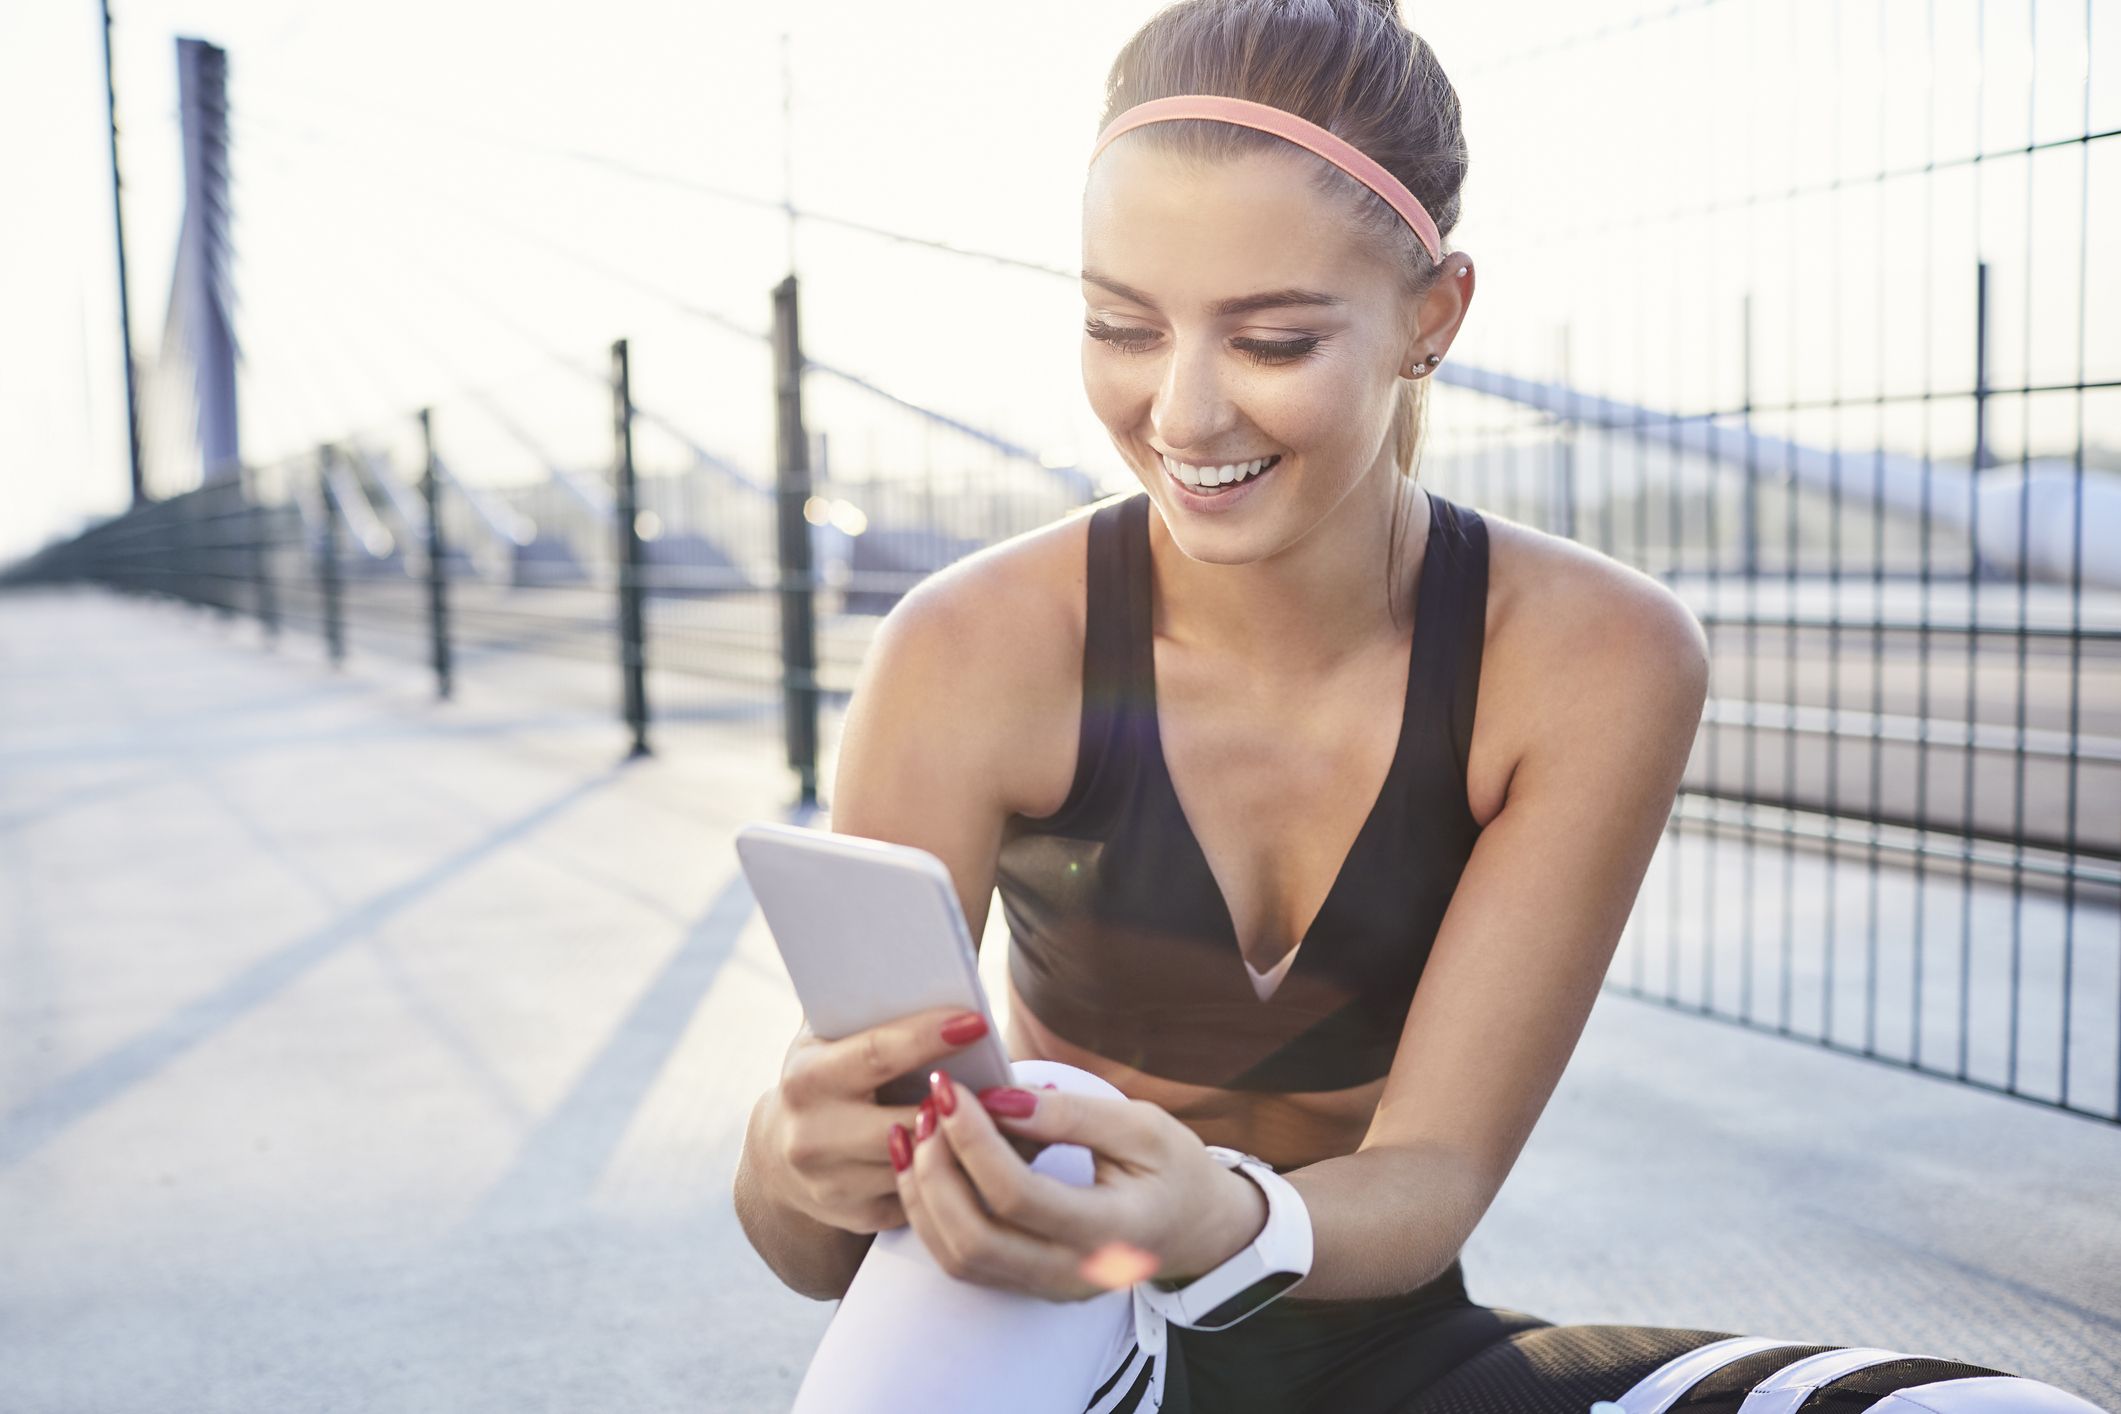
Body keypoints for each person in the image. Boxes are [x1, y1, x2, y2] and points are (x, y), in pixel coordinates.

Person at [729, 2, 2114, 1410]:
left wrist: (1224, 1215)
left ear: (1431, 318)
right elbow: (815, 1246)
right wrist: (791, 1159)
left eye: (1270, 339)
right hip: (1037, 1308)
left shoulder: (1594, 655)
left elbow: (1431, 1177)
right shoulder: (967, 647)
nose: (1183, 410)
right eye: (1120, 326)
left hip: (1369, 1336)